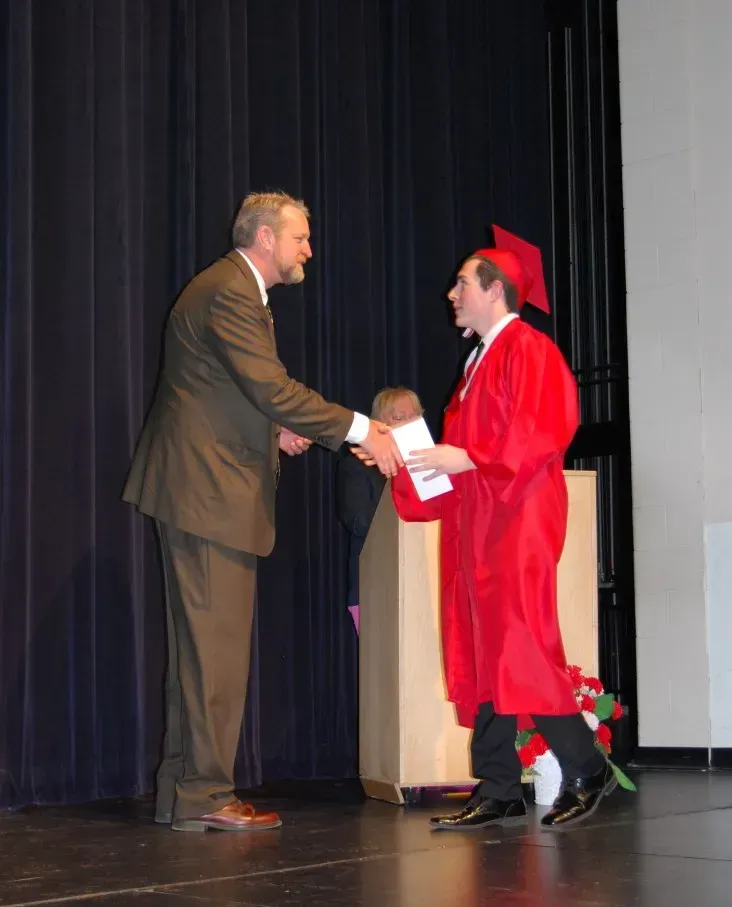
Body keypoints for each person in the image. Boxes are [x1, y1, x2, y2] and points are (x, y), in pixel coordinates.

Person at [123, 191, 400, 833]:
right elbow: (270, 386)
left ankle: (184, 792)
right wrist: (362, 429)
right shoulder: (230, 292)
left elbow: (222, 389)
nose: (309, 250)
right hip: (206, 492)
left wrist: (273, 430)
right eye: (300, 238)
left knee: (199, 653)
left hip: (199, 488)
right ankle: (204, 793)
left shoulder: (231, 290)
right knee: (215, 653)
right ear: (266, 238)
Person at [385, 242, 619, 831]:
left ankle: (587, 767)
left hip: (517, 519)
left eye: (462, 282)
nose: (452, 293)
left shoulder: (528, 349)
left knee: (520, 644)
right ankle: (498, 786)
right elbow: (456, 462)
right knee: (485, 648)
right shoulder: (476, 365)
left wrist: (464, 457)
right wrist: (405, 460)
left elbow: (540, 431)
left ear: (495, 289)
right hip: (480, 525)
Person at [336, 387, 423, 634]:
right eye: (399, 418)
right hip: (374, 583)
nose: (409, 425)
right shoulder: (357, 466)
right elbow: (359, 521)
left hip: (422, 581)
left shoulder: (430, 468)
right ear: (379, 426)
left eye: (415, 417)